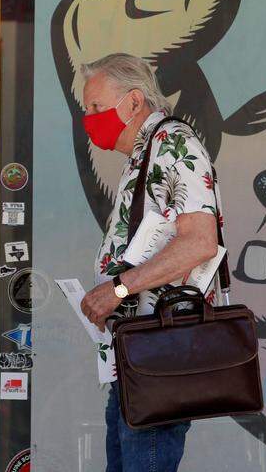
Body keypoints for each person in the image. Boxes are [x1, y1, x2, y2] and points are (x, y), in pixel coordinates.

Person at [78, 53, 221, 472]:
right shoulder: (145, 154)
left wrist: (118, 289)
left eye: (96, 107)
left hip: (160, 352)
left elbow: (199, 242)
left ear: (134, 101)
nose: (89, 119)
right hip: (137, 352)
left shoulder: (172, 143)